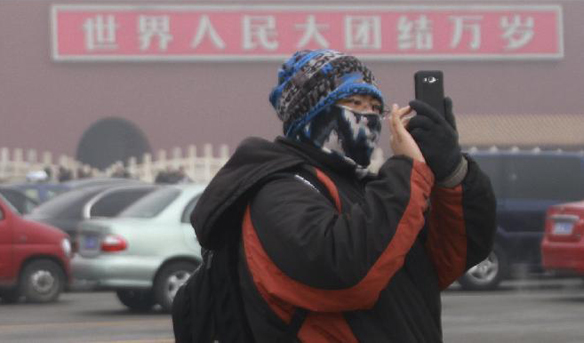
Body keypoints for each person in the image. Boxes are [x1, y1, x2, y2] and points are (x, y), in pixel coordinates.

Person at [190, 49, 496, 342]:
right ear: (311, 114)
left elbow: (452, 256)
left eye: (376, 108)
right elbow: (346, 273)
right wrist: (406, 170)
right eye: (355, 103)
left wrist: (450, 170)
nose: (369, 117)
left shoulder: (363, 187)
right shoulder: (276, 191)